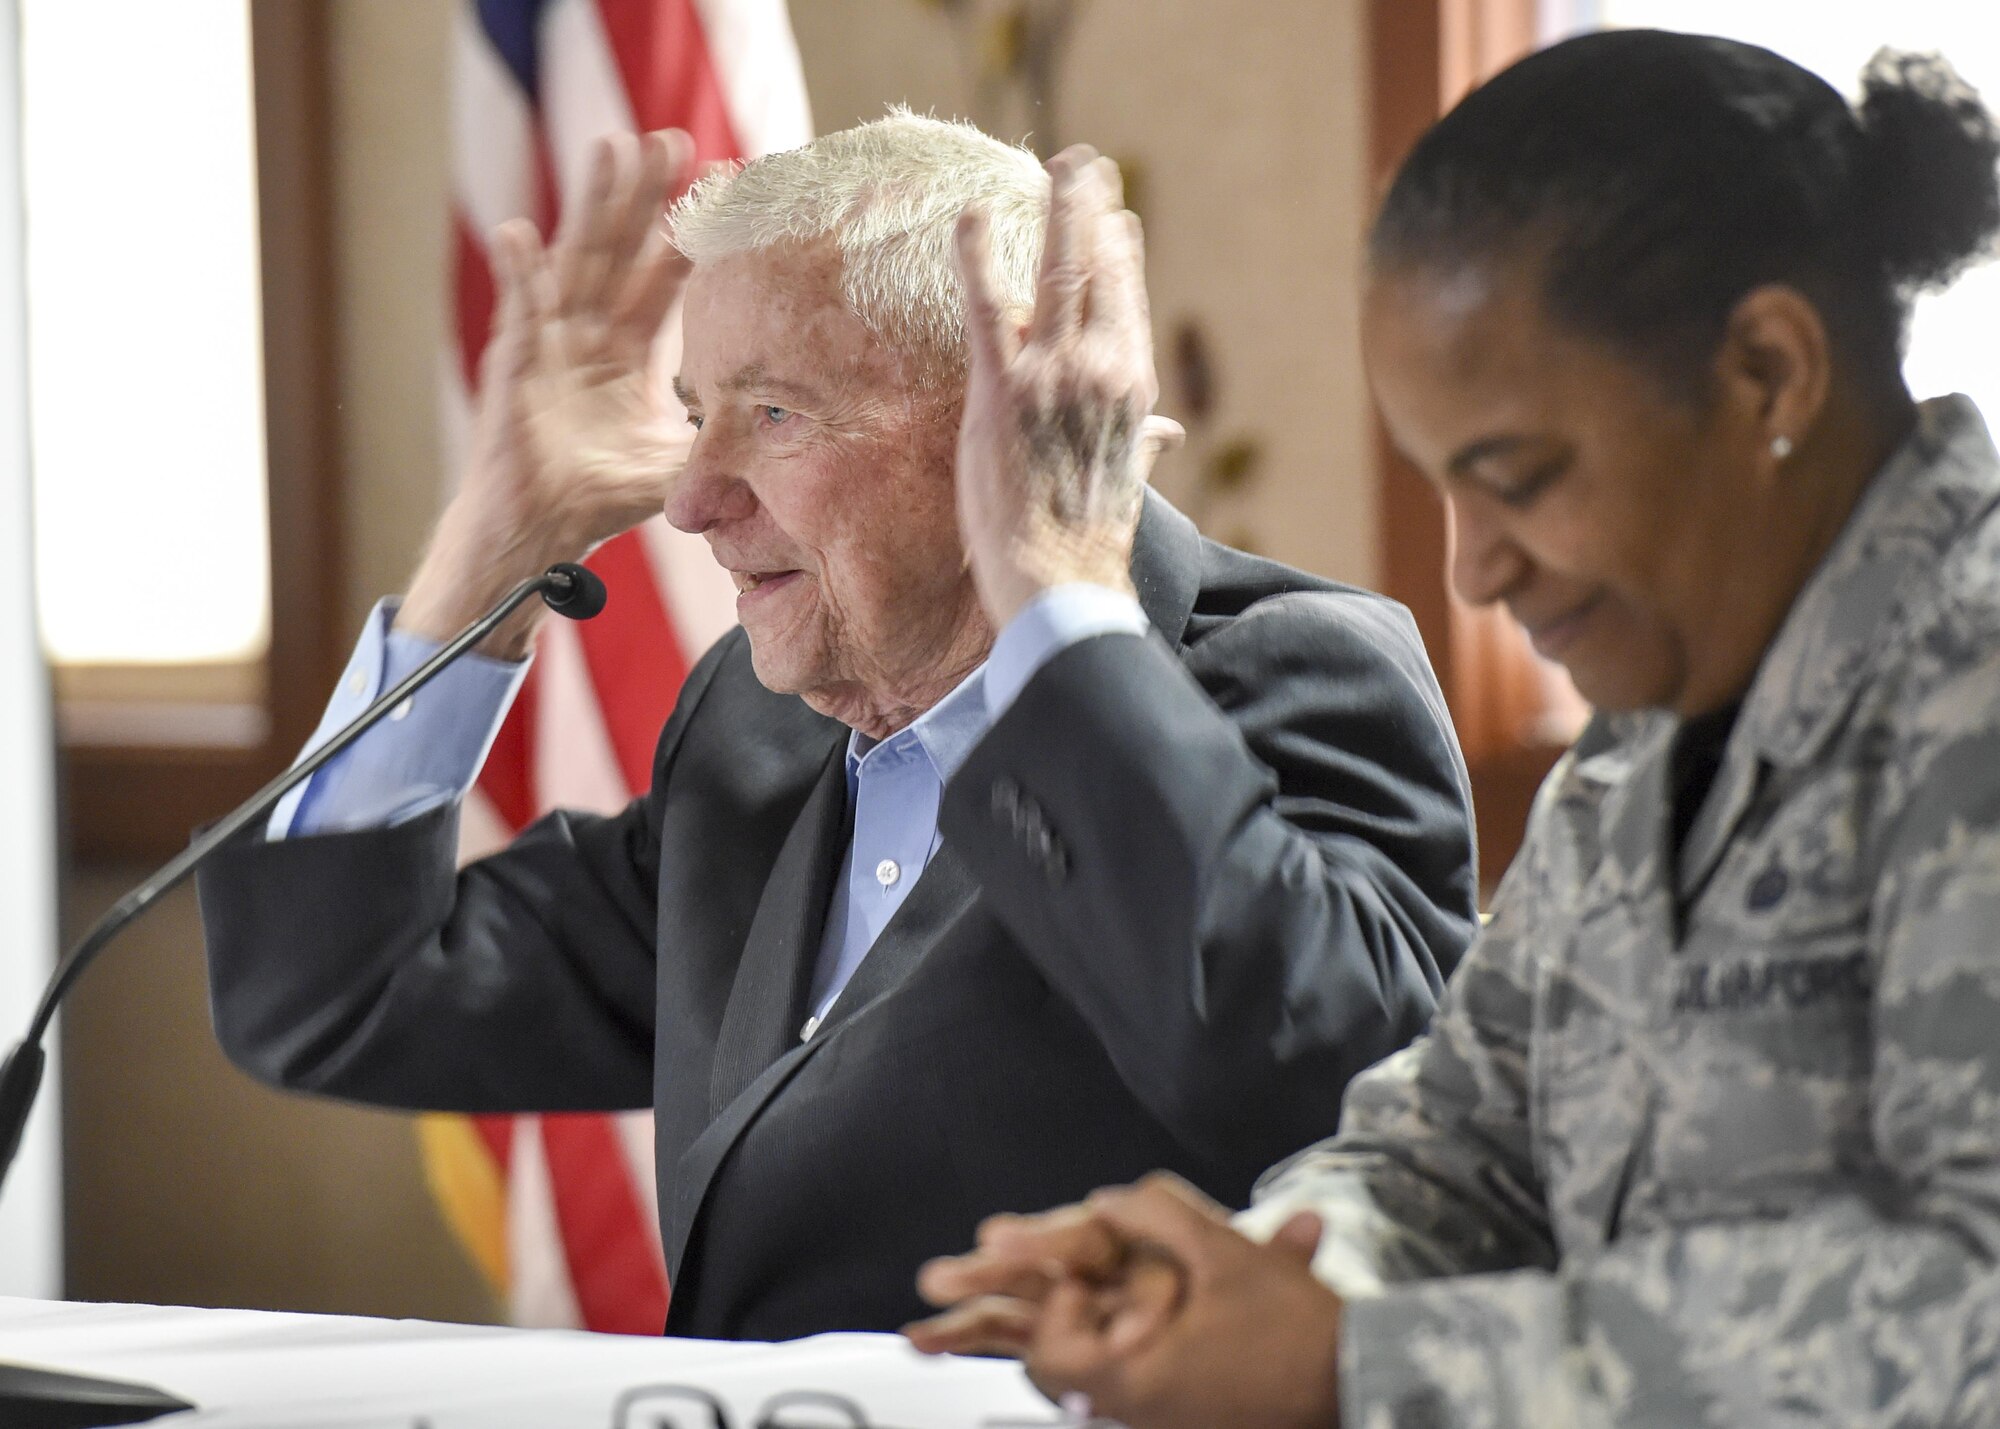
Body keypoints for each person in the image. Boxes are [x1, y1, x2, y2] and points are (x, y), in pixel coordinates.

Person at [195, 112, 1479, 1340]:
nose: (690, 498)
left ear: (1008, 412)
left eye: (772, 415)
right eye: (696, 411)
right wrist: (489, 553)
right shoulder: (755, 731)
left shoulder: (1294, 671)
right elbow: (333, 993)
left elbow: (1326, 1088)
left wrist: (1061, 611)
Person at [907, 30, 2000, 1426]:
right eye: (1443, 489)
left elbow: (1974, 1307)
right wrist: (1243, 1279)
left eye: (1521, 477)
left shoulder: (1967, 690)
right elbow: (1462, 1154)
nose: (1474, 569)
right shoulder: (1647, 736)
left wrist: (1350, 1366)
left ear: (1769, 373)